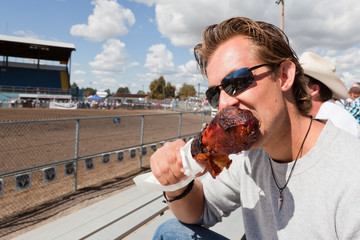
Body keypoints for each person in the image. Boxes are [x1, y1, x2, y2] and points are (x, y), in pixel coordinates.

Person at [150, 17, 360, 239]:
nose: (223, 104)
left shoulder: (349, 175)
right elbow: (201, 210)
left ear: (284, 76)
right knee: (170, 231)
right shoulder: (251, 156)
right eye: (214, 94)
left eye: (237, 81)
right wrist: (176, 182)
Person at [299, 52, 360, 139]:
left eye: (297, 85)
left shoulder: (338, 121)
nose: (292, 88)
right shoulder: (325, 116)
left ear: (314, 89)